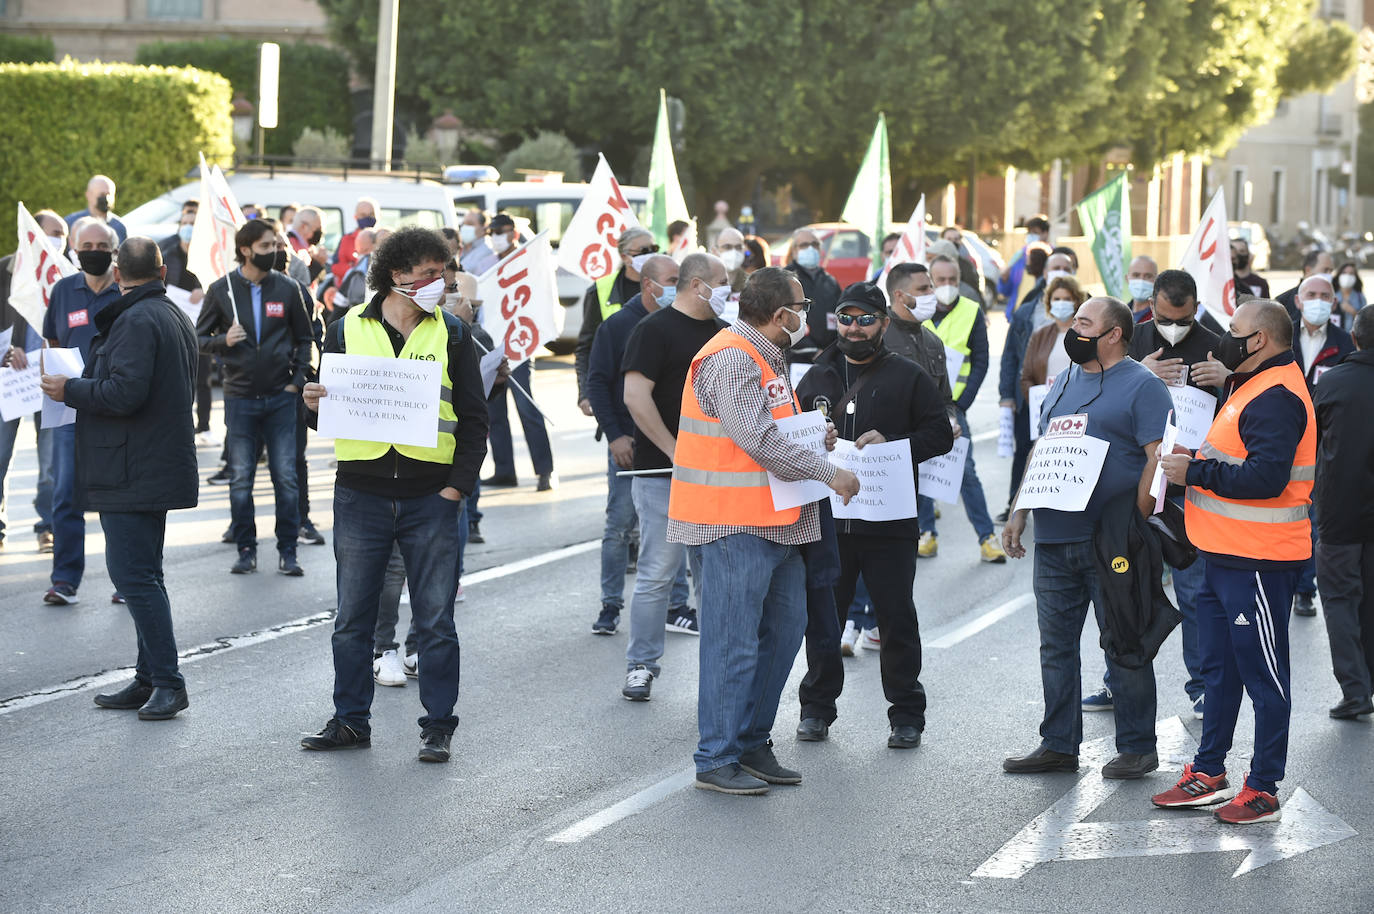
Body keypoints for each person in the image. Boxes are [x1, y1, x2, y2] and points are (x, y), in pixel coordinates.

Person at [667, 266, 859, 795]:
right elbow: (757, 440)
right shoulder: (730, 355)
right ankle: (716, 756)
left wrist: (813, 435)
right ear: (780, 315)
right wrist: (829, 471)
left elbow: (773, 428)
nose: (806, 316)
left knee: (782, 635)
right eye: (801, 307)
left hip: (778, 524)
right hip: (732, 525)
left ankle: (750, 741)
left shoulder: (765, 354)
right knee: (732, 644)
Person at [298, 227, 487, 762]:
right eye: (427, 274)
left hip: (433, 497)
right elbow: (320, 416)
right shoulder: (344, 330)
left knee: (435, 620)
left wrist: (456, 488)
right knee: (352, 619)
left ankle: (438, 725)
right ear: (395, 276)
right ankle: (350, 720)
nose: (437, 283)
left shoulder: (452, 334)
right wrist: (311, 403)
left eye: (441, 273)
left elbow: (474, 418)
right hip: (362, 494)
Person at [1152, 299, 1315, 823]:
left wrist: (1193, 474)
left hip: (1261, 562)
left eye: (1234, 330)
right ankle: (1209, 771)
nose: (1225, 338)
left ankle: (1264, 787)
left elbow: (1267, 479)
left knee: (1264, 676)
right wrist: (1194, 463)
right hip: (1225, 555)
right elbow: (1231, 458)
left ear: (1260, 340)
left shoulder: (1275, 395)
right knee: (1219, 672)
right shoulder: (1250, 383)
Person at [1002, 297, 1171, 779]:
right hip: (1054, 539)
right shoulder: (1064, 380)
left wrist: (1135, 525)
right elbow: (1043, 450)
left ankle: (1138, 746)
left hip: (1111, 540)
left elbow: (1156, 458)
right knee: (1055, 646)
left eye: (1083, 323)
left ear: (1114, 333)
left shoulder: (1144, 386)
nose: (1072, 329)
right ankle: (1058, 743)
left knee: (1123, 641)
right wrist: (1020, 512)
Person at [41, 237, 197, 719]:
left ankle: (169, 682)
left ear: (118, 272)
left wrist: (70, 389)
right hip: (149, 463)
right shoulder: (169, 312)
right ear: (163, 272)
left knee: (135, 578)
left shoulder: (137, 319)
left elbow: (123, 393)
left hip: (133, 467)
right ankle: (148, 678)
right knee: (145, 575)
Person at [794, 281, 953, 747]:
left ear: (883, 323)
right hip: (828, 522)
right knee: (824, 618)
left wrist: (897, 445)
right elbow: (788, 434)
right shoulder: (817, 373)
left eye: (866, 319)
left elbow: (940, 434)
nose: (855, 328)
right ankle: (816, 710)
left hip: (889, 519)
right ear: (835, 320)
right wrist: (814, 440)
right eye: (847, 317)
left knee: (896, 618)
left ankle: (906, 715)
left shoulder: (907, 375)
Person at [616, 253, 728, 698]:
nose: (727, 290)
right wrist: (675, 450)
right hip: (663, 473)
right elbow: (634, 396)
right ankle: (641, 665)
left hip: (715, 476)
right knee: (658, 573)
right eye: (722, 282)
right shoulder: (653, 330)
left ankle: (719, 669)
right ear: (698, 284)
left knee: (713, 575)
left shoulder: (724, 333)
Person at [1122, 268, 1225, 719]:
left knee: (1194, 589)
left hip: (1190, 486)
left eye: (1182, 319)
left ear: (1196, 308)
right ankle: (1116, 679)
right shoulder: (1129, 339)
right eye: (1165, 317)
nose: (1173, 327)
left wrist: (1228, 380)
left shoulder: (1219, 344)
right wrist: (1138, 374)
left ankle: (1201, 684)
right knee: (1121, 586)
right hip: (1135, 482)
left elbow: (1245, 408)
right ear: (1152, 307)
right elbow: (1097, 389)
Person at [197, 218, 314, 576]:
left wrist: (295, 382)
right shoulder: (221, 290)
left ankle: (288, 549)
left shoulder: (288, 288)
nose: (275, 251)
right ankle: (246, 548)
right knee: (241, 477)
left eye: (276, 245)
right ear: (245, 250)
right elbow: (196, 340)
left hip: (282, 397)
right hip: (240, 397)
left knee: (286, 476)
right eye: (266, 246)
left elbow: (305, 338)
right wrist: (223, 341)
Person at [585, 254, 691, 637]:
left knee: (673, 527)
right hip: (630, 446)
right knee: (619, 526)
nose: (678, 285)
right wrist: (615, 434)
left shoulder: (680, 323)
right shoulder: (617, 326)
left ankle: (677, 606)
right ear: (649, 285)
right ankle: (610, 606)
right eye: (672, 278)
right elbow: (597, 382)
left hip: (672, 448)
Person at [41, 218, 122, 606]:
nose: (93, 251)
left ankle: (126, 580)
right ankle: (65, 581)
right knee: (65, 496)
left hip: (112, 408)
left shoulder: (125, 293)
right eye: (86, 244)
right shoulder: (62, 291)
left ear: (114, 250)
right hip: (70, 411)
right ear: (74, 248)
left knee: (116, 498)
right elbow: (53, 340)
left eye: (101, 245)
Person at [919, 254, 1006, 563]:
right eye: (940, 280)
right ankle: (925, 533)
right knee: (922, 472)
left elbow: (981, 361)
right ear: (929, 282)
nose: (946, 286)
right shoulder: (917, 311)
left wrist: (961, 403)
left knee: (966, 473)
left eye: (952, 280)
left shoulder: (971, 311)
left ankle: (986, 538)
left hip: (954, 408)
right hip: (919, 409)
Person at [1312, 305, 1374, 719]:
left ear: (1353, 338)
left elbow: (1309, 441)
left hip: (1339, 514)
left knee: (1338, 600)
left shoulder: (1332, 382)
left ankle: (1355, 689)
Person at [0, 209, 64, 555]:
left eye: (64, 235)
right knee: (0, 456)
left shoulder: (67, 277)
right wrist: (6, 350)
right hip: (9, 381)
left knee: (51, 463)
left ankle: (47, 527)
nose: (59, 240)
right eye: (53, 233)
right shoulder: (4, 270)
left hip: (50, 379)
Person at [1290, 274, 1353, 617]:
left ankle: (1304, 588)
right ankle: (1285, 576)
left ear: (1333, 302)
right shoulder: (1281, 337)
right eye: (1310, 294)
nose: (1318, 300)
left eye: (1324, 295)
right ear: (1298, 301)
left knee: (1313, 516)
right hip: (1284, 436)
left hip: (1324, 441)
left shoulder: (1345, 343)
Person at [996, 243, 1061, 520]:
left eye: (1065, 269)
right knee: (1025, 449)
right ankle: (1016, 504)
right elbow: (1011, 355)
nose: (1059, 274)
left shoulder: (1089, 311)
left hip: (1072, 399)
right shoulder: (1026, 312)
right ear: (1044, 273)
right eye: (1054, 268)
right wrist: (1007, 395)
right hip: (1030, 397)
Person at [574, 227, 653, 413]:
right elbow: (586, 347)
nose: (650, 255)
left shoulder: (666, 286)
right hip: (618, 396)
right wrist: (585, 393)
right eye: (643, 251)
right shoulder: (600, 290)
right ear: (625, 257)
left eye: (653, 248)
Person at [159, 201, 213, 445]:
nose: (188, 228)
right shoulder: (168, 250)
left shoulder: (207, 251)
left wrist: (203, 289)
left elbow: (216, 279)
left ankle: (204, 426)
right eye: (185, 223)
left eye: (193, 224)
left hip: (200, 324)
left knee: (202, 378)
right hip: (174, 321)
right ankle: (181, 424)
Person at [1020, 275, 1086, 399]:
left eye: (1067, 299)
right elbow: (1026, 377)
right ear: (1049, 302)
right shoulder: (1039, 336)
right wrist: (1038, 400)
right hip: (1047, 406)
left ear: (1076, 302)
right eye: (1056, 299)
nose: (1061, 303)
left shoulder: (1086, 334)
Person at [786, 228, 843, 357]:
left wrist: (831, 352)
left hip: (829, 356)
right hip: (797, 357)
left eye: (815, 244)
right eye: (804, 245)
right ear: (794, 250)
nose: (810, 248)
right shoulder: (785, 279)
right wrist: (812, 351)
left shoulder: (830, 281)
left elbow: (840, 316)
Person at [997, 215, 1052, 318]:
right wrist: (1004, 280)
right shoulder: (1019, 257)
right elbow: (1006, 291)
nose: (1031, 236)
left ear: (1045, 234)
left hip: (1041, 316)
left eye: (1035, 232)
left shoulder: (1053, 258)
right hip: (1018, 316)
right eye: (1029, 233)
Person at [64, 175, 127, 243]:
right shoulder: (71, 223)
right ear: (88, 195)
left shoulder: (119, 226)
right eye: (102, 194)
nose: (106, 198)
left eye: (109, 194)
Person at [1275, 249, 1334, 321]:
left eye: (1331, 271)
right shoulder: (1282, 303)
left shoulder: (1333, 301)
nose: (1329, 275)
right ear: (1308, 270)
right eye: (1325, 270)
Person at [330, 197, 379, 283]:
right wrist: (356, 269)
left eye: (371, 214)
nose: (367, 218)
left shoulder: (384, 238)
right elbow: (336, 267)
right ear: (356, 217)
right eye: (363, 215)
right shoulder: (347, 239)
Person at [288, 206, 330, 283]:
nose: (321, 233)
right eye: (318, 229)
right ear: (304, 226)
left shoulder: (307, 247)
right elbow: (300, 280)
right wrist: (317, 263)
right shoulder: (291, 246)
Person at [457, 209, 498, 275]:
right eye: (464, 224)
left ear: (484, 227)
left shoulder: (488, 250)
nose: (465, 227)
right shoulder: (461, 246)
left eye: (470, 224)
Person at [1125, 256, 1159, 323]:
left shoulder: (1160, 317)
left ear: (1157, 280)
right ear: (1127, 279)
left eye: (1148, 276)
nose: (1141, 280)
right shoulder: (1119, 314)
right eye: (1136, 275)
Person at [1334, 262, 1365, 332]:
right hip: (1336, 338)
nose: (1347, 276)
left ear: (1355, 277)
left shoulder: (1360, 297)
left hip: (1353, 339)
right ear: (1339, 275)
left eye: (1351, 273)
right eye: (1344, 273)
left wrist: (1354, 312)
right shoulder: (1332, 296)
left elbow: (1365, 322)